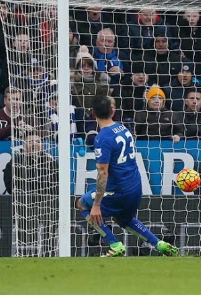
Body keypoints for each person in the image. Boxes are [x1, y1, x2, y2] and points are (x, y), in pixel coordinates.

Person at [76, 95, 179, 257]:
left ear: (93, 114)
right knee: (124, 218)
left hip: (118, 190)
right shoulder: (124, 129)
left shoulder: (102, 137)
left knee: (82, 204)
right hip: (135, 187)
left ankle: (115, 243)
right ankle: (158, 243)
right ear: (113, 111)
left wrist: (96, 205)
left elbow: (103, 173)